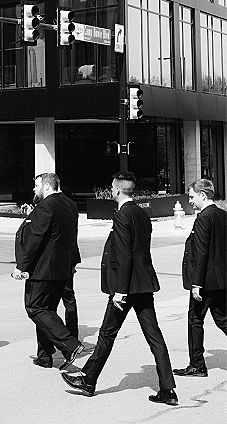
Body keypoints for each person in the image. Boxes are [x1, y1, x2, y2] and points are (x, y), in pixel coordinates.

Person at [62, 171, 178, 406]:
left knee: (107, 334)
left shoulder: (123, 215)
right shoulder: (142, 214)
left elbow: (125, 254)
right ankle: (168, 389)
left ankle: (88, 380)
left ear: (116, 189)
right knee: (155, 337)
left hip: (126, 288)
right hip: (143, 285)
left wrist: (120, 291)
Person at [13, 172, 84, 370]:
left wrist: (22, 266)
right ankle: (44, 356)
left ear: (46, 186)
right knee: (47, 311)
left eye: (36, 186)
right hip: (62, 268)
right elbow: (71, 237)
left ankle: (70, 345)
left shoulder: (45, 206)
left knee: (35, 308)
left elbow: (35, 239)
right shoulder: (70, 205)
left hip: (43, 270)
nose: (34, 189)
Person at [173, 178, 227, 378]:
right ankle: (196, 364)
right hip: (221, 279)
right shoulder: (223, 215)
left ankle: (197, 365)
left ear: (203, 195)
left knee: (195, 320)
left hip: (205, 281)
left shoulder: (204, 217)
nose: (190, 201)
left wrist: (197, 283)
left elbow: (201, 252)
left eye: (192, 196)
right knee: (222, 319)